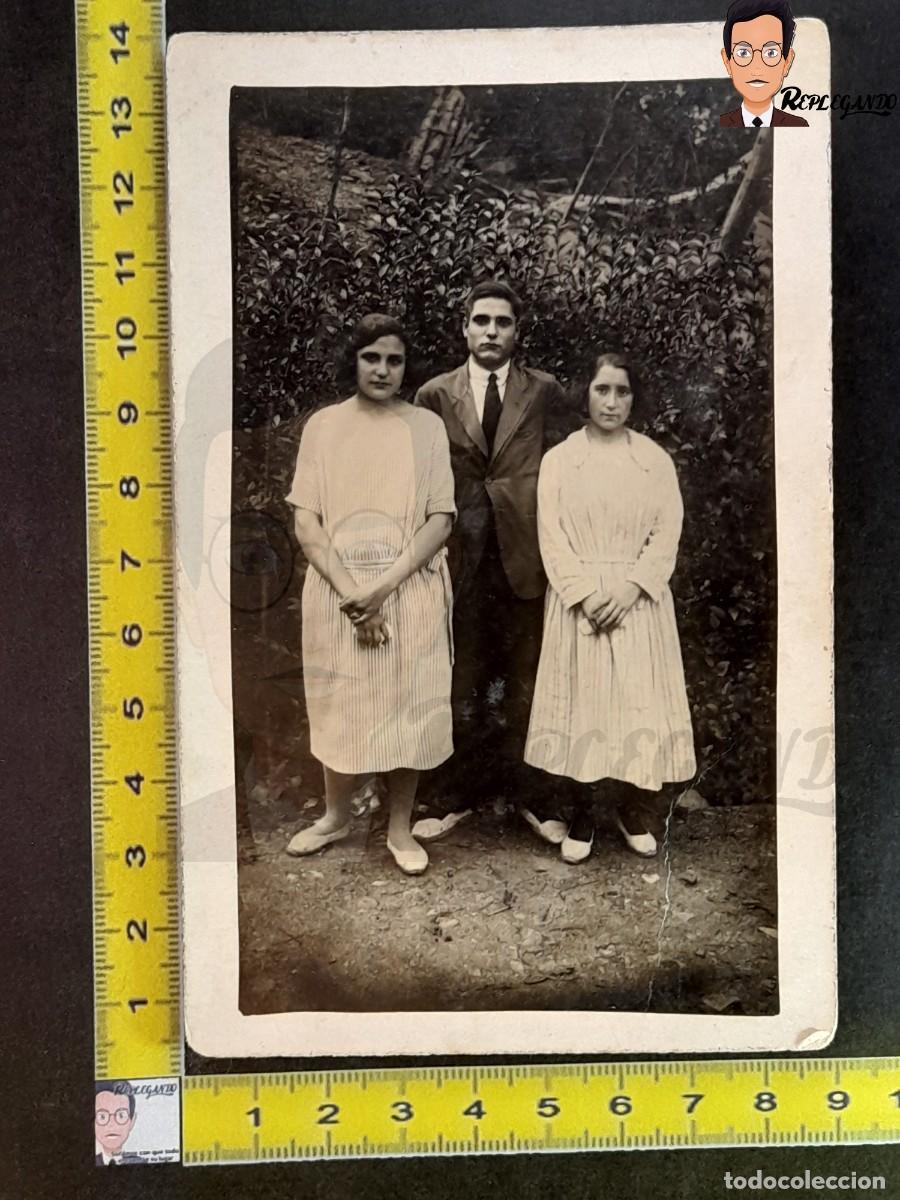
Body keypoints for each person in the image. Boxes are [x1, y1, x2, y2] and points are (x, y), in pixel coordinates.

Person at [285, 314, 456, 875]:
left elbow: (439, 520)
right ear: (353, 360)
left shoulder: (426, 428)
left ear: (408, 367)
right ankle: (336, 816)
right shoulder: (324, 427)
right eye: (371, 358)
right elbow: (307, 521)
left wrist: (380, 591)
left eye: (395, 360)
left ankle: (400, 826)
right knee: (341, 703)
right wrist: (353, 596)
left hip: (408, 585)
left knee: (410, 704)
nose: (383, 370)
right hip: (340, 587)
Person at [524, 352, 696, 863]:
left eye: (622, 392)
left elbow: (667, 532)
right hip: (580, 603)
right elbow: (550, 534)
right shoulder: (560, 460)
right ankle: (583, 813)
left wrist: (629, 589)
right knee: (585, 705)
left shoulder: (652, 460)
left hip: (636, 601)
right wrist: (583, 593)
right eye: (603, 390)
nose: (612, 402)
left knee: (634, 702)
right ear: (586, 394)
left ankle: (632, 810)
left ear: (633, 399)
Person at [411, 280, 567, 840]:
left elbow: (566, 468)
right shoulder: (434, 395)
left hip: (527, 557)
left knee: (529, 681)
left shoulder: (545, 391)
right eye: (481, 321)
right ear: (465, 328)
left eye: (502, 322)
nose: (491, 332)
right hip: (462, 561)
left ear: (516, 331)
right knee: (461, 681)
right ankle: (454, 796)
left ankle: (534, 797)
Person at [719, 0, 809, 127]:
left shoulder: (798, 125)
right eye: (743, 53)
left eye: (771, 53)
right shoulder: (721, 122)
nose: (757, 67)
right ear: (727, 62)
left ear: (787, 62)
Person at [95, 1082, 137, 1165]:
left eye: (121, 1115)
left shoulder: (141, 1162)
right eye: (102, 1116)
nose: (112, 1124)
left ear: (132, 1121)